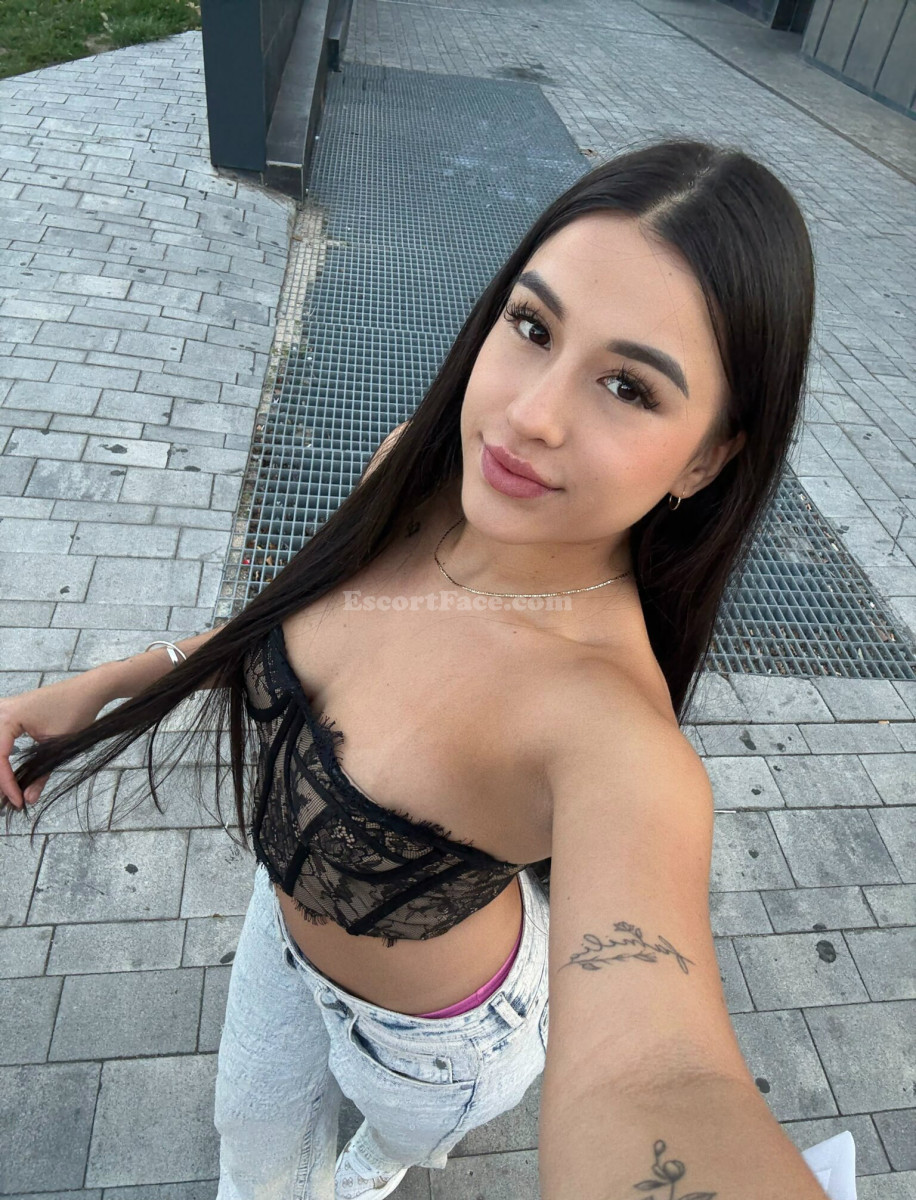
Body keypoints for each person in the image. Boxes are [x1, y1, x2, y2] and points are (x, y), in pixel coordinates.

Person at [1, 139, 841, 1200]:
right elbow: (289, 621)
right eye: (532, 327)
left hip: (435, 1048)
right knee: (249, 1154)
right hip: (280, 925)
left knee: (360, 1169)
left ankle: (379, 1167)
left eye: (627, 386)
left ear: (709, 457)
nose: (531, 415)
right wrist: (103, 686)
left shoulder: (613, 736)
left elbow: (659, 1075)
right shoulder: (412, 474)